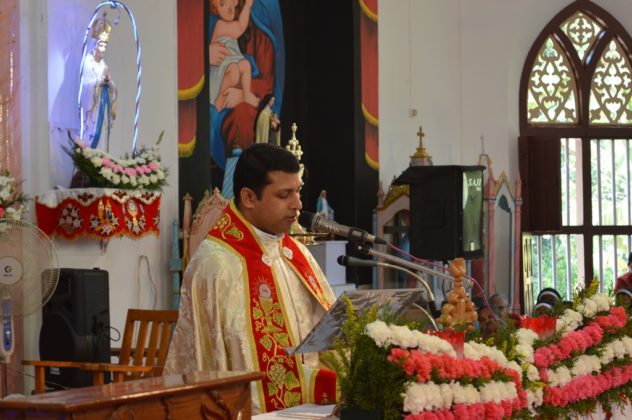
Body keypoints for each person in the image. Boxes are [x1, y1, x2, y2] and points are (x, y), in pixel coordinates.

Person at [165, 143, 337, 414]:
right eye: (284, 195)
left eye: (298, 191)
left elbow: (331, 337)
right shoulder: (215, 265)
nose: (298, 204)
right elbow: (204, 358)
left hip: (312, 410)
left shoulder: (297, 253)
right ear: (248, 197)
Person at [209, 0, 259, 112]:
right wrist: (247, 6)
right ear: (217, 11)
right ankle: (219, 100)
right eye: (222, 4)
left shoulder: (229, 24)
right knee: (234, 72)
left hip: (232, 60)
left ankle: (246, 94)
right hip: (221, 68)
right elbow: (241, 27)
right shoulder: (220, 25)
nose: (228, 6)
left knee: (245, 65)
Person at [80, 13, 117, 150]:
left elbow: (110, 84)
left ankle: (102, 154)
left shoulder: (103, 65)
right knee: (93, 131)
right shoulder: (87, 63)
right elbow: (85, 84)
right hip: (93, 105)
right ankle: (91, 153)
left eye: (105, 46)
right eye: (101, 45)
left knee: (103, 131)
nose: (103, 49)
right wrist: (99, 81)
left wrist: (109, 82)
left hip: (104, 102)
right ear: (94, 45)